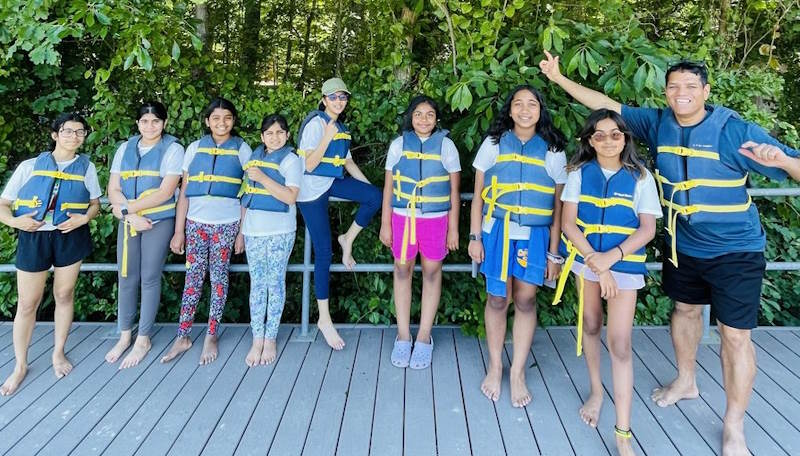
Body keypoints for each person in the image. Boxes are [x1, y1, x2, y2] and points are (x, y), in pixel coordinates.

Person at [540, 51, 800, 455]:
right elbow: (604, 106)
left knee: (734, 336)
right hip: (686, 243)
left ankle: (734, 424)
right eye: (674, 87)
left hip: (736, 247)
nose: (682, 94)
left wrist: (783, 159)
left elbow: (795, 168)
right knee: (685, 311)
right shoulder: (657, 121)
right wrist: (558, 79)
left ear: (706, 91)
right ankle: (686, 379)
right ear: (665, 92)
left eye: (690, 87)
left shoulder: (733, 130)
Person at [553, 109, 660, 455]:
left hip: (624, 266)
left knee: (620, 343)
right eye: (599, 135)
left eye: (616, 134)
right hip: (588, 263)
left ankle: (623, 431)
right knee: (591, 324)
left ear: (626, 138)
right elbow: (569, 224)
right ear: (588, 140)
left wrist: (611, 261)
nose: (609, 141)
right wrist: (598, 267)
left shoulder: (641, 177)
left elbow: (647, 228)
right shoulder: (579, 174)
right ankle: (597, 391)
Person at [468, 85, 567, 407]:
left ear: (541, 110)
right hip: (496, 231)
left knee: (525, 299)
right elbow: (477, 196)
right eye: (518, 104)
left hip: (535, 235)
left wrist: (555, 252)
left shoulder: (553, 150)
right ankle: (495, 366)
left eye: (532, 104)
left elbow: (559, 208)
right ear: (509, 110)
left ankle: (518, 371)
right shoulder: (493, 144)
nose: (525, 110)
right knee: (497, 298)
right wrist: (474, 237)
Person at [0, 113, 102, 395]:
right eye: (68, 131)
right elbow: (3, 205)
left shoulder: (87, 167)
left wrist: (84, 219)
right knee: (27, 303)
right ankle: (20, 365)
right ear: (55, 135)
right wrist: (15, 222)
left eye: (80, 132)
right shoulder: (29, 166)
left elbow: (94, 204)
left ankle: (58, 352)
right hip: (34, 236)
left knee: (64, 295)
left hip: (70, 234)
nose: (74, 137)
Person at [161, 98, 251, 365]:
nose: (221, 123)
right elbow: (185, 194)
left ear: (234, 121)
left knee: (219, 278)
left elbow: (248, 194)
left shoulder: (242, 149)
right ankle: (183, 335)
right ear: (207, 120)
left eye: (227, 118)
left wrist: (241, 233)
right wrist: (179, 231)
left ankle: (211, 334)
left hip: (227, 224)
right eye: (216, 118)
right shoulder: (194, 148)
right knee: (193, 279)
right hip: (196, 224)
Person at [295, 77, 381, 350]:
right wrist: (326, 137)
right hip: (310, 191)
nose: (338, 102)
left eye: (342, 97)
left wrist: (369, 191)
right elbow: (308, 164)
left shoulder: (341, 127)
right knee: (323, 252)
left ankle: (348, 239)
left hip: (331, 183)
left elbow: (347, 162)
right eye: (333, 97)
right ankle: (324, 319)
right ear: (323, 99)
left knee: (375, 196)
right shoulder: (315, 124)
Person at [379, 95, 460, 369]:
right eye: (418, 114)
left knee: (432, 272)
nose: (423, 119)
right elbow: (389, 188)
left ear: (437, 119)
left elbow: (455, 191)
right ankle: (403, 335)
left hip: (436, 220)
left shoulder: (447, 146)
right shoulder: (398, 145)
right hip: (403, 217)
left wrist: (453, 230)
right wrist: (385, 223)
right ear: (410, 117)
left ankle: (424, 336)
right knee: (402, 270)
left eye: (429, 114)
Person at [104, 101, 184, 369]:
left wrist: (126, 210)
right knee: (126, 276)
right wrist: (129, 216)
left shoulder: (173, 149)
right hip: (131, 221)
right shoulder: (124, 149)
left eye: (156, 121)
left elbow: (165, 192)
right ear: (137, 123)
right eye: (144, 121)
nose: (150, 126)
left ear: (164, 123)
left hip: (158, 220)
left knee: (149, 277)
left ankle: (144, 338)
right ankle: (125, 334)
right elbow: (113, 188)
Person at [240, 114, 301, 367]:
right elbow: (245, 196)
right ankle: (257, 338)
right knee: (257, 284)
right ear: (262, 136)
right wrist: (240, 232)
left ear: (287, 135)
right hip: (253, 230)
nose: (274, 137)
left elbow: (290, 197)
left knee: (274, 283)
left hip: (280, 231)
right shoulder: (254, 158)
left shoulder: (291, 160)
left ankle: (271, 337)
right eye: (269, 133)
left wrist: (263, 177)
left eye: (279, 132)